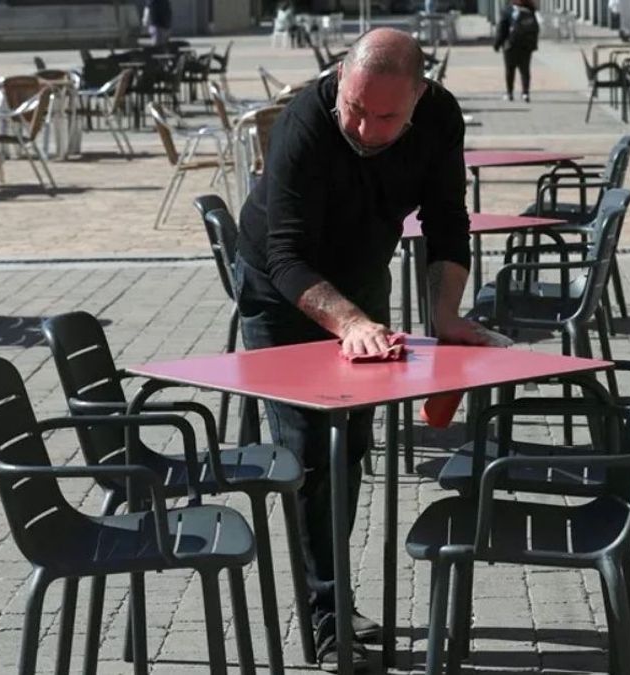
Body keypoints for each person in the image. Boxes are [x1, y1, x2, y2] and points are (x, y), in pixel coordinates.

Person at [235, 27, 501, 672]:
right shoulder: (306, 122)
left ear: (421, 96)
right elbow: (287, 255)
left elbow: (446, 220)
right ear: (341, 79)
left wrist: (445, 317)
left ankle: (334, 595)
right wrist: (350, 323)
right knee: (307, 449)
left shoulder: (440, 117)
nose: (365, 127)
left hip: (360, 282)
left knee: (351, 443)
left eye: (386, 116)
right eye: (354, 107)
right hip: (282, 289)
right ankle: (327, 615)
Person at [493, 0, 539, 102]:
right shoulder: (530, 10)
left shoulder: (508, 11)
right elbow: (535, 29)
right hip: (526, 46)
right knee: (525, 70)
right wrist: (533, 45)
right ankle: (525, 93)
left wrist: (497, 44)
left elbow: (502, 29)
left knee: (510, 70)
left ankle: (509, 93)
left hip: (511, 45)